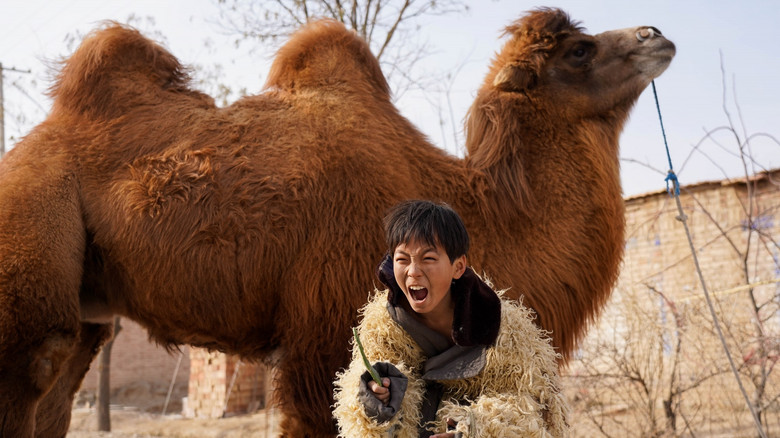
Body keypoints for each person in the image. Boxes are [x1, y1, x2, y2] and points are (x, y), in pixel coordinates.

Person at [333, 200, 569, 437]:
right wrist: (379, 398)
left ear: (458, 267)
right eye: (402, 260)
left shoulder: (503, 328)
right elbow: (362, 410)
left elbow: (531, 409)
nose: (413, 271)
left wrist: (471, 429)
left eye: (428, 259)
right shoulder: (383, 327)